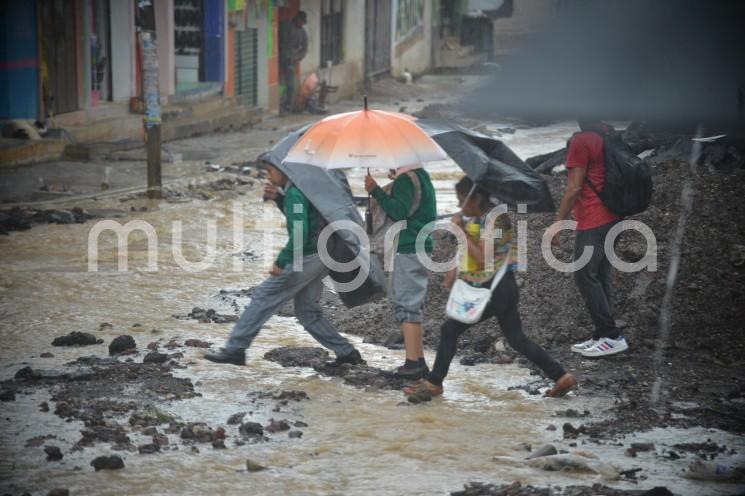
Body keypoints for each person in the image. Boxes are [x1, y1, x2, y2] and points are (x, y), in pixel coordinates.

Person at [404, 177, 577, 399]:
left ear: (476, 197)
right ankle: (561, 377)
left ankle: (435, 381)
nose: (460, 206)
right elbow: (468, 253)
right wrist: (452, 272)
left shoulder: (497, 220)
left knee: (450, 329)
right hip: (500, 288)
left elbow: (483, 257)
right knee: (516, 339)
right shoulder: (480, 218)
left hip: (496, 289)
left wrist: (460, 231)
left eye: (461, 200)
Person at [205, 161, 364, 367]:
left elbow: (300, 233)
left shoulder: (295, 193)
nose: (268, 177)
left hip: (306, 256)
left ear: (284, 171)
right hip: (322, 254)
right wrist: (279, 199)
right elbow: (303, 218)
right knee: (307, 311)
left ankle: (235, 348)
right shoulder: (298, 190)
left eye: (270, 171)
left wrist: (282, 261)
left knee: (263, 296)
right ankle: (347, 353)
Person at [551, 120, 628, 358]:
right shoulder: (606, 136)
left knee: (584, 275)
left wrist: (558, 223)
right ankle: (602, 335)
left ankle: (612, 336)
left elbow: (574, 187)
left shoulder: (581, 141)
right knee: (600, 274)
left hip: (595, 218)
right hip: (614, 214)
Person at [365, 165, 436, 379]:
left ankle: (413, 363)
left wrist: (376, 190)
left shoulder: (407, 179)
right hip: (421, 243)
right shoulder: (422, 176)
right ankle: (418, 360)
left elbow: (400, 212)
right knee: (410, 302)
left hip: (410, 245)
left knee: (407, 304)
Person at [279, 11, 308, 114]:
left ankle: (286, 107)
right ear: (297, 19)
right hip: (279, 59)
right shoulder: (285, 26)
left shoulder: (302, 33)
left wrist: (297, 58)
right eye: (301, 21)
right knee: (280, 85)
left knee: (290, 86)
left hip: (291, 62)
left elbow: (304, 49)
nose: (302, 24)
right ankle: (280, 105)